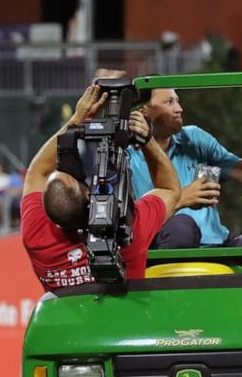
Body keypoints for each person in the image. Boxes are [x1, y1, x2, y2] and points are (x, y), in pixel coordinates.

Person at [20, 83, 181, 290]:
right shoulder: (128, 232)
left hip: (72, 322)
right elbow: (170, 190)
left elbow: (37, 172)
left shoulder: (36, 236)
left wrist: (75, 120)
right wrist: (147, 140)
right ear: (89, 196)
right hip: (124, 320)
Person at [128, 86, 242, 248]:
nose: (179, 109)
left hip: (220, 245)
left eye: (178, 101)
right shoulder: (127, 157)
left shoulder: (195, 138)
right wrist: (182, 198)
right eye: (169, 102)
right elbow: (134, 224)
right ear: (143, 112)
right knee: (182, 228)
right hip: (168, 246)